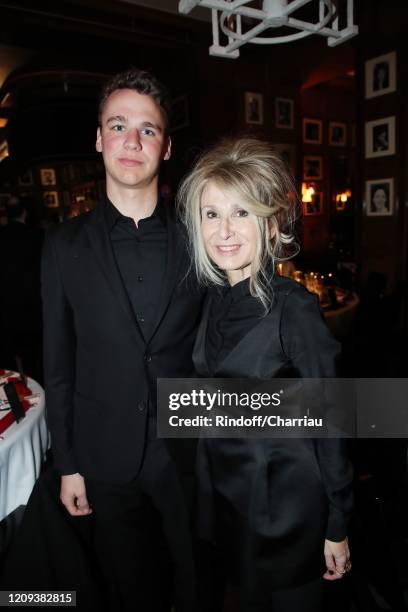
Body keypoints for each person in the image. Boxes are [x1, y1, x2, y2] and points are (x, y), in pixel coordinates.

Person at [41, 68, 204, 611]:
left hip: (187, 452)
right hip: (102, 457)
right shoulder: (63, 247)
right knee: (130, 590)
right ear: (98, 139)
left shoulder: (202, 240)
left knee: (198, 581)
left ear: (166, 144)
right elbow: (58, 364)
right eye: (118, 125)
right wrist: (66, 463)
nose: (132, 141)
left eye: (148, 129)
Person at [177, 137, 353, 612]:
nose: (224, 231)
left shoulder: (296, 311)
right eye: (211, 214)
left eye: (241, 213)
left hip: (288, 514)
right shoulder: (211, 302)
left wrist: (338, 523)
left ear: (271, 224)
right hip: (228, 505)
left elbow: (334, 424)